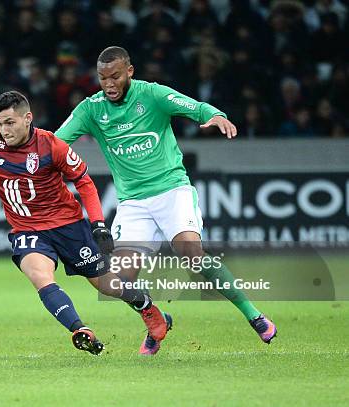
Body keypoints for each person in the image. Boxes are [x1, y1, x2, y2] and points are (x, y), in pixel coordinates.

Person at [55, 46, 277, 355]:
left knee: (192, 253)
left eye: (115, 76)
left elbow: (193, 106)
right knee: (118, 280)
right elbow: (55, 143)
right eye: (103, 78)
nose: (109, 84)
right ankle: (156, 321)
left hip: (172, 191)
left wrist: (215, 115)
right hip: (133, 203)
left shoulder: (152, 95)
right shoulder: (91, 110)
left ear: (129, 72)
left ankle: (254, 315)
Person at [0, 91, 172, 355]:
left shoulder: (50, 145)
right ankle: (80, 329)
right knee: (40, 276)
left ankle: (147, 307)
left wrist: (98, 224)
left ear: (28, 118)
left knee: (107, 285)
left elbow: (84, 182)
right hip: (27, 229)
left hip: (68, 226)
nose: (3, 130)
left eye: (9, 122)